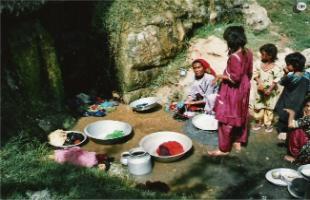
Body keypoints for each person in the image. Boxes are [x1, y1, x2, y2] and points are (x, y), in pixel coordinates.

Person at [208, 26, 253, 156]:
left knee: (226, 118)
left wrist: (220, 76)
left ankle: (224, 149)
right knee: (240, 113)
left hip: (233, 90)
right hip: (244, 87)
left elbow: (234, 78)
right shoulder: (247, 52)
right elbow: (249, 72)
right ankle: (238, 140)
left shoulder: (234, 57)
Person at [274, 52, 309, 141]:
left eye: (288, 65)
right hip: (300, 101)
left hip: (288, 100)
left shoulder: (291, 77)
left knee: (284, 115)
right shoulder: (307, 76)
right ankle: (292, 133)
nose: (286, 66)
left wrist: (285, 73)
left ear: (295, 65)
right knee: (295, 116)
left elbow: (281, 82)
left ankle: (283, 132)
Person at [252, 44, 283, 133]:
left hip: (272, 90)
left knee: (269, 107)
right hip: (260, 89)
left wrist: (270, 89)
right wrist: (260, 83)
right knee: (258, 106)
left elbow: (277, 78)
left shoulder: (277, 66)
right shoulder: (258, 63)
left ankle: (268, 123)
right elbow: (255, 73)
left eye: (263, 54)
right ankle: (258, 121)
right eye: (261, 54)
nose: (261, 56)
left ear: (270, 56)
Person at [283, 97, 310, 163]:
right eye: (307, 106)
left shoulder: (308, 119)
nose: (308, 108)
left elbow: (290, 125)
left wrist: (292, 113)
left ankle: (296, 159)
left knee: (296, 130)